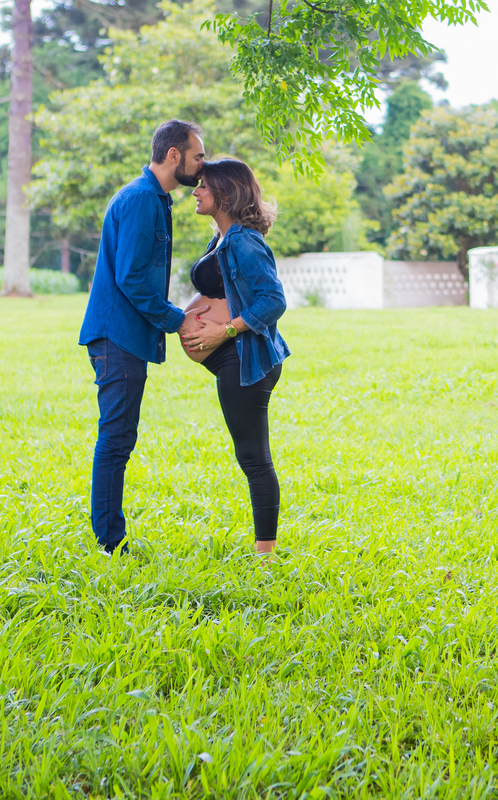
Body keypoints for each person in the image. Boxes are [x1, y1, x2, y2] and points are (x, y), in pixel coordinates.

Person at [79, 119, 209, 555]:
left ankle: (109, 537)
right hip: (117, 335)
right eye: (197, 156)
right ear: (174, 155)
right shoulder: (140, 199)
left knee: (120, 437)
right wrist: (177, 320)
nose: (202, 165)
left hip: (126, 335)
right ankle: (109, 543)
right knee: (116, 438)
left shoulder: (155, 199)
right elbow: (132, 277)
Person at [180, 158, 290, 554]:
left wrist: (223, 330)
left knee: (254, 458)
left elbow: (273, 300)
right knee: (250, 456)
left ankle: (266, 555)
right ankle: (265, 549)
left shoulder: (244, 240)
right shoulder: (223, 238)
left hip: (246, 360)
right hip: (231, 357)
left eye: (203, 186)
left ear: (225, 192)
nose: (196, 192)